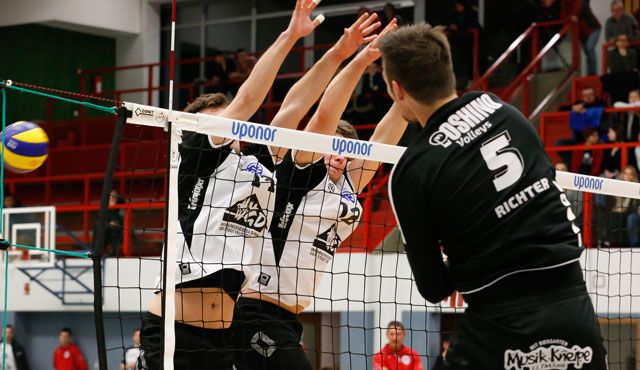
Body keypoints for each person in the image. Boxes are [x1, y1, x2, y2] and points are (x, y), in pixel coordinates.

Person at [378, 23, 607, 369]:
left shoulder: (412, 169)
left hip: (499, 326)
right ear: (449, 73)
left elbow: (434, 287)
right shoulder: (504, 111)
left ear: (397, 90)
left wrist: (471, 254)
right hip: (574, 311)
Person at [138, 2, 326, 369]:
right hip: (174, 333)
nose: (229, 129)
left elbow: (297, 106)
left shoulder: (254, 163)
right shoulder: (194, 157)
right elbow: (248, 101)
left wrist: (338, 54)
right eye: (219, 124)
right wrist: (288, 36)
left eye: (229, 124)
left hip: (223, 333)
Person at [232, 17, 406, 370]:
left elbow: (384, 140)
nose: (339, 155)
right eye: (333, 147)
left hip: (287, 317)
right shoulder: (300, 170)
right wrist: (359, 60)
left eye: (346, 149)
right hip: (253, 312)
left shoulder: (347, 186)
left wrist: (411, 92)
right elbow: (324, 115)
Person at [562, 0, 602, 75]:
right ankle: (590, 74)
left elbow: (575, 15)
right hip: (582, 33)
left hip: (593, 29)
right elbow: (563, 16)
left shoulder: (579, 2)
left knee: (589, 48)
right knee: (588, 53)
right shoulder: (564, 4)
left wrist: (569, 16)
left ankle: (592, 74)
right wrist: (570, 17)